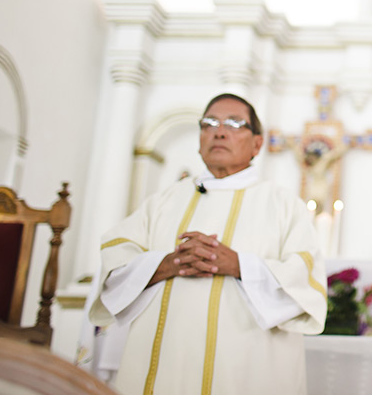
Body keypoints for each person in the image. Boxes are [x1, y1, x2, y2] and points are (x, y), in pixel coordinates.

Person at [89, 93, 327, 395]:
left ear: (257, 143)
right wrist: (166, 264)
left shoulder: (282, 205)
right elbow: (116, 263)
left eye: (235, 123)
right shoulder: (164, 201)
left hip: (246, 368)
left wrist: (238, 265)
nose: (220, 131)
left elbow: (304, 280)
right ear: (200, 138)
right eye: (209, 123)